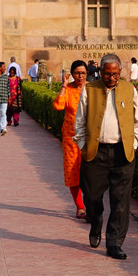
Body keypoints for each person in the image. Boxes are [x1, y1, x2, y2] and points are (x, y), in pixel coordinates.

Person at [73, 53, 138, 260]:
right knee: (92, 196)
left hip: (123, 153)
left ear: (120, 72)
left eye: (115, 74)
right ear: (101, 72)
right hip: (96, 153)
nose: (111, 78)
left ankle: (114, 243)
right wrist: (82, 145)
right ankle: (95, 224)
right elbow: (80, 120)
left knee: (120, 201)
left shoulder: (128, 89)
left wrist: (135, 142)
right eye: (107, 74)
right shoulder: (90, 89)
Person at [52, 59, 88, 219]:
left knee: (90, 172)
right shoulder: (69, 89)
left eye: (83, 73)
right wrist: (64, 85)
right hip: (71, 137)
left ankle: (91, 205)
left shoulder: (92, 89)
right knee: (73, 170)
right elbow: (58, 106)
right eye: (77, 73)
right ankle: (80, 206)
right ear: (72, 74)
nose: (80, 76)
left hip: (89, 137)